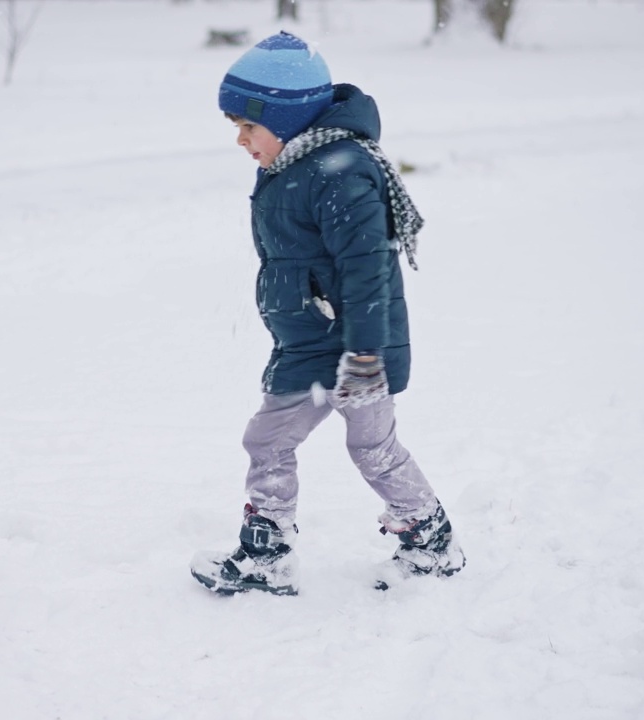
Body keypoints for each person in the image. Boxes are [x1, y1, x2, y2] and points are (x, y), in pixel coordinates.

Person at [190, 32, 465, 595]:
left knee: (330, 445)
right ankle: (283, 556)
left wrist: (365, 355)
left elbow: (368, 270)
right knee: (317, 445)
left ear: (287, 118)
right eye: (236, 128)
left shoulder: (338, 171)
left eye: (248, 126)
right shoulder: (294, 164)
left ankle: (416, 545)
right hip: (316, 341)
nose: (241, 141)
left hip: (351, 348)